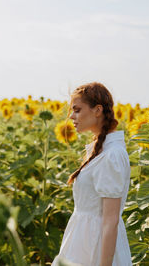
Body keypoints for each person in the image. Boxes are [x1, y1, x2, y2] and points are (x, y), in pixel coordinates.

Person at [51, 82, 132, 266]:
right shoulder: (101, 150)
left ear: (97, 110)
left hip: (97, 247)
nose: (71, 116)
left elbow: (110, 221)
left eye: (77, 110)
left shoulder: (111, 155)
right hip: (82, 242)